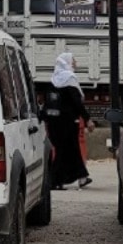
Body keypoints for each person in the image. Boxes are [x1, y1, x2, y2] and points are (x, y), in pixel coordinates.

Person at [42, 52, 94, 190]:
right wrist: (87, 119)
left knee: (70, 150)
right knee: (64, 151)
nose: (75, 63)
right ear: (67, 63)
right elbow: (77, 103)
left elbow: (48, 102)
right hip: (68, 123)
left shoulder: (53, 80)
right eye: (73, 60)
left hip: (54, 123)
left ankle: (81, 177)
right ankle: (54, 181)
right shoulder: (69, 79)